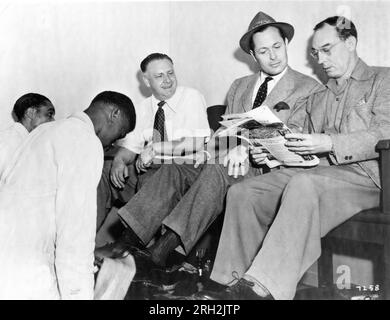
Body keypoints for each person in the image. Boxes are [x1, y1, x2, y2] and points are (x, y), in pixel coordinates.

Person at [97, 12, 322, 269]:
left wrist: (246, 147)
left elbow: (295, 137)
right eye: (263, 51)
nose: (273, 56)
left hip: (267, 169)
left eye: (277, 47)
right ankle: (129, 241)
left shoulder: (308, 88)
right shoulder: (240, 86)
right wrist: (209, 149)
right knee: (175, 169)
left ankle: (163, 252)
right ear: (253, 55)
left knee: (216, 169)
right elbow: (223, 134)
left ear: (286, 44)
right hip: (223, 161)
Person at [197, 16, 390, 300]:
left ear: (350, 43)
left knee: (303, 185)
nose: (320, 60)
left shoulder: (382, 79)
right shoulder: (320, 96)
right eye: (316, 52)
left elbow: (385, 131)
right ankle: (229, 286)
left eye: (327, 49)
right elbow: (299, 140)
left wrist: (328, 142)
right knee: (244, 192)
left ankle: (264, 290)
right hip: (320, 173)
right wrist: (269, 151)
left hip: (368, 177)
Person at [0, 91, 136, 299]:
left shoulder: (44, 131)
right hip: (28, 272)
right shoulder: (84, 140)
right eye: (119, 134)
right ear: (114, 113)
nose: (112, 143)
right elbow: (74, 237)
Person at [96, 53, 210, 231]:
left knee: (151, 178)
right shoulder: (142, 108)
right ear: (147, 81)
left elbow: (195, 143)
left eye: (170, 73)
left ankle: (134, 247)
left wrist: (154, 149)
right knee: (106, 170)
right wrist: (119, 160)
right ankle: (85, 241)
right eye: (159, 76)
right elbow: (130, 148)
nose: (167, 80)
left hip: (183, 169)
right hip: (149, 169)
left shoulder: (191, 97)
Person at [0, 93, 55, 175]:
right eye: (49, 114)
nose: (53, 121)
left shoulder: (27, 141)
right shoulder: (7, 141)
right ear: (30, 113)